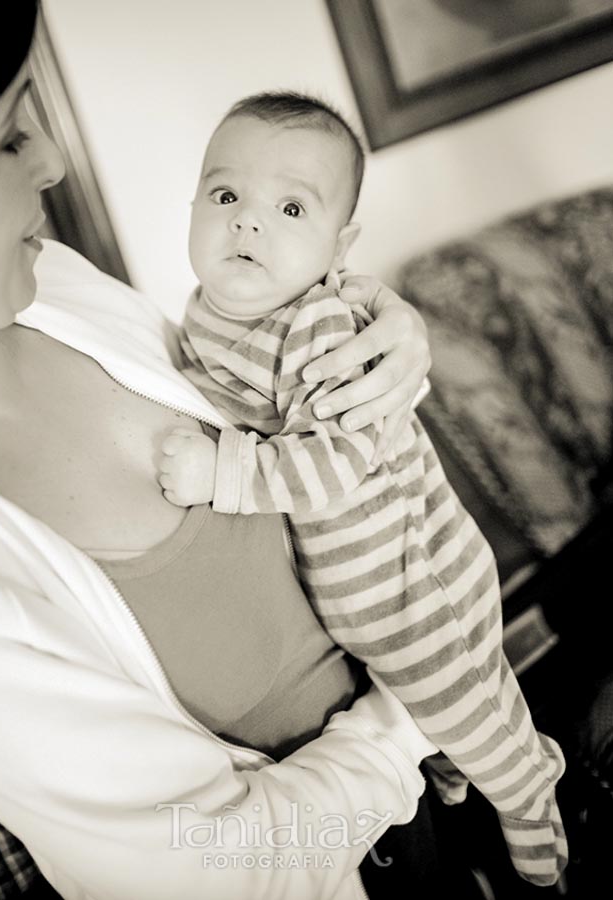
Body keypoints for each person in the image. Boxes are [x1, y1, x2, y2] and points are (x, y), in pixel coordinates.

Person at [0, 3, 447, 899]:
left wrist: (370, 321)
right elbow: (211, 869)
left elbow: (258, 389)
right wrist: (406, 727)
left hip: (421, 790)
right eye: (11, 138)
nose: (53, 158)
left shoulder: (53, 281)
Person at [160, 90, 568, 887]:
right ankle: (465, 764)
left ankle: (529, 791)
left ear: (338, 247)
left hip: (410, 577)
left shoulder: (316, 327)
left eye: (289, 207)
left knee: (465, 701)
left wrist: (224, 473)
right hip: (359, 597)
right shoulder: (208, 313)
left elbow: (337, 461)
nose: (247, 222)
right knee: (439, 705)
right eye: (225, 195)